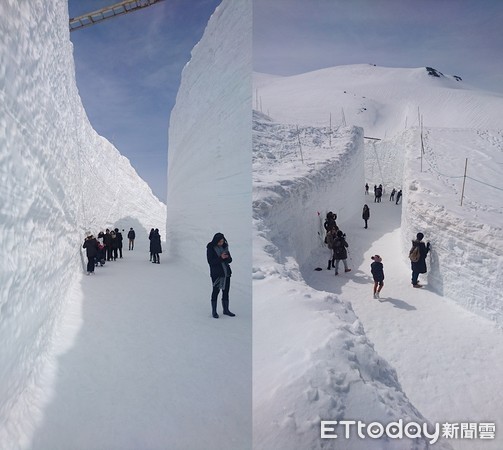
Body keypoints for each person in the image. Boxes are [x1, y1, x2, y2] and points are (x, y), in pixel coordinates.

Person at [206, 232, 235, 318]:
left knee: (226, 291)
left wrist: (227, 257)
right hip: (217, 274)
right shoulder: (210, 248)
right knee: (216, 291)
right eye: (219, 241)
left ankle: (226, 310)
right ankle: (214, 311)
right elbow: (210, 262)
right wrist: (221, 258)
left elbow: (230, 260)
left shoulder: (225, 247)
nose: (221, 243)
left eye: (222, 241)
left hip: (226, 273)